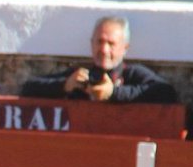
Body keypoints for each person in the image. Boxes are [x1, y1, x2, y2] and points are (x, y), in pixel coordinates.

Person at [20, 16, 178, 103]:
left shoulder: (132, 74)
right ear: (91, 44)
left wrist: (113, 93)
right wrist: (65, 85)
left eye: (111, 44)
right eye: (99, 42)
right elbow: (28, 88)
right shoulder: (82, 75)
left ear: (125, 48)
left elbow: (166, 92)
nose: (104, 50)